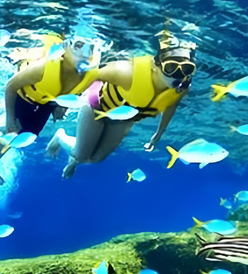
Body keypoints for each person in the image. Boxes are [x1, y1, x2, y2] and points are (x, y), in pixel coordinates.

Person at [47, 32, 196, 178]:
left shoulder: (179, 89)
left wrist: (157, 135)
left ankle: (73, 161)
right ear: (156, 66)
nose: (179, 75)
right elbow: (89, 74)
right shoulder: (127, 73)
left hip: (124, 116)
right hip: (98, 105)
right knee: (81, 155)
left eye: (186, 69)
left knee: (96, 159)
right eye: (171, 67)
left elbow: (170, 107)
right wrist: (64, 101)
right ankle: (60, 137)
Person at [0, 31, 103, 185]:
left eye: (91, 48)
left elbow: (74, 92)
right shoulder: (42, 68)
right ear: (65, 48)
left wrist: (61, 107)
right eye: (78, 46)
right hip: (24, 96)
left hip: (48, 101)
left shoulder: (89, 73)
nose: (86, 54)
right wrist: (10, 119)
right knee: (13, 132)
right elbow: (10, 87)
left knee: (30, 135)